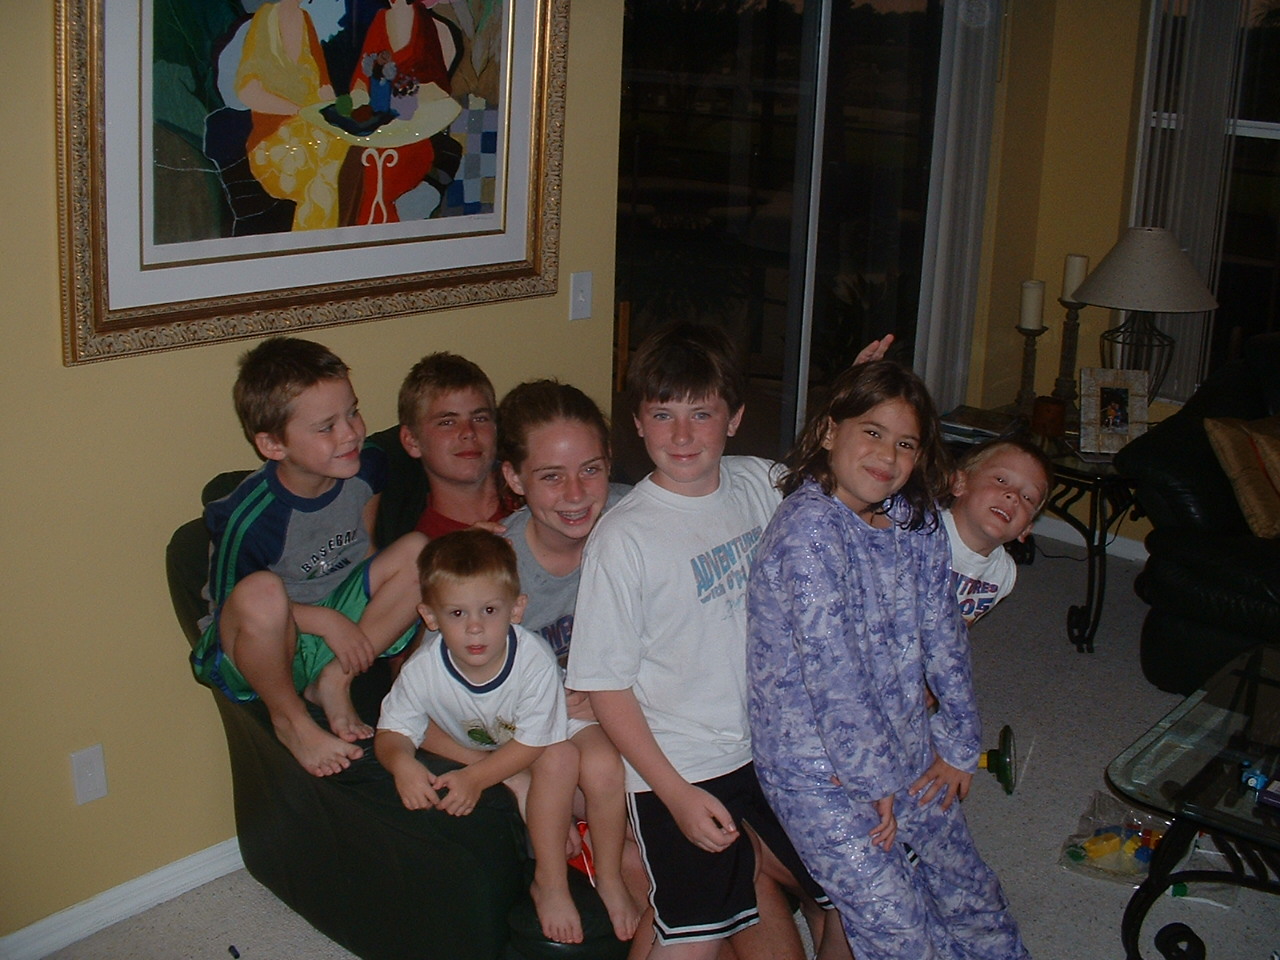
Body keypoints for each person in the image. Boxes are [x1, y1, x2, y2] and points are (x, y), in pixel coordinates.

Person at [566, 322, 855, 960]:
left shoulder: (759, 483)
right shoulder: (624, 539)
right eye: (662, 414)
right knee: (693, 937)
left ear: (735, 418)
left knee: (857, 896)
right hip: (684, 765)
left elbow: (833, 470)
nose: (682, 435)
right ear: (637, 423)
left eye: (702, 414)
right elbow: (607, 688)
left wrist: (854, 397)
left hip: (776, 747)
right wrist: (674, 794)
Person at [745, 359, 1028, 960]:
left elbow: (943, 632)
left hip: (906, 743)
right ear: (830, 431)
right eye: (871, 432)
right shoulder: (807, 532)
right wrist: (875, 783)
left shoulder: (914, 519)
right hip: (816, 769)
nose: (887, 455)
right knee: (896, 924)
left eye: (905, 443)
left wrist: (959, 742)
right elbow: (835, 677)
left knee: (969, 890)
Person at [374, 529, 634, 945]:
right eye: (457, 614)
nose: (475, 628)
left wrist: (475, 778)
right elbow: (390, 731)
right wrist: (401, 763)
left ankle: (610, 875)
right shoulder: (422, 670)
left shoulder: (533, 659)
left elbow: (533, 743)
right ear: (430, 617)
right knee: (559, 761)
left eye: (490, 610)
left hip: (550, 722)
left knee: (600, 764)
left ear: (517, 609)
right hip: (496, 735)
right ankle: (550, 883)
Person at [190, 337, 426, 777]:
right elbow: (230, 608)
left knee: (419, 552)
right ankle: (292, 721)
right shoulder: (249, 518)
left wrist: (368, 614)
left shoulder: (367, 466)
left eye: (352, 412)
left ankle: (335, 678)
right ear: (273, 445)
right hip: (264, 648)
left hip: (338, 627)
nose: (350, 433)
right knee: (263, 592)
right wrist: (325, 621)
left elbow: (364, 549)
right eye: (326, 427)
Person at [237, 0, 350, 231]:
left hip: (314, 131)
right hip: (274, 140)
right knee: (322, 176)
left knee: (350, 155)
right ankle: (316, 245)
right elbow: (248, 92)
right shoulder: (265, 20)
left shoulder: (305, 18)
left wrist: (338, 109)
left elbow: (324, 86)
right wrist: (298, 111)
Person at [348, 0, 455, 223]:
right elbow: (360, 81)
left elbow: (439, 89)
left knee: (389, 172)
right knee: (359, 166)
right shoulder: (380, 20)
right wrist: (362, 102)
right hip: (377, 128)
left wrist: (405, 97)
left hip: (414, 128)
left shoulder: (427, 25)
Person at [393, 352, 519, 537]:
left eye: (480, 418)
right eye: (447, 422)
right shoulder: (426, 548)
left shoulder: (536, 500)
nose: (469, 432)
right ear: (412, 441)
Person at [943, 438, 1053, 625]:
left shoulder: (1003, 573)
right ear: (960, 483)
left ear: (1026, 528)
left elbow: (962, 625)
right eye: (1001, 480)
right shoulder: (920, 535)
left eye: (1027, 497)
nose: (1013, 496)